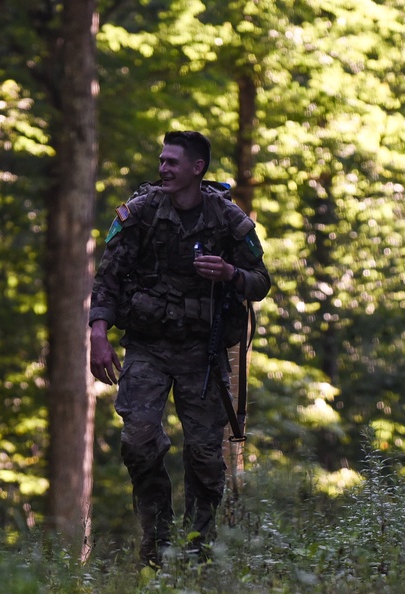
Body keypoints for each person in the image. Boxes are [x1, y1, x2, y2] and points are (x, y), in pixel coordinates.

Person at [89, 130, 271, 567]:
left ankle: (197, 553)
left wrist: (230, 273)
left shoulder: (229, 220)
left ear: (197, 168)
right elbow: (108, 278)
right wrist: (98, 333)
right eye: (161, 160)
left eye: (173, 162)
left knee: (206, 458)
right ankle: (157, 539)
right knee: (138, 442)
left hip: (202, 354)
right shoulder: (140, 213)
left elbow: (260, 282)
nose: (163, 169)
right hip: (148, 347)